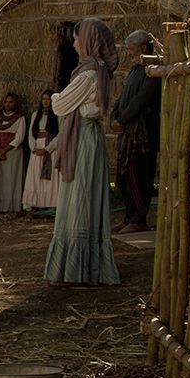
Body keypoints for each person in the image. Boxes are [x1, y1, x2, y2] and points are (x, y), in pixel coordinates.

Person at [45, 18, 120, 287]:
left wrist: (56, 97)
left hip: (84, 141)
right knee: (82, 197)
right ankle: (82, 269)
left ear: (88, 40)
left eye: (77, 38)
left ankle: (76, 271)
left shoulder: (90, 74)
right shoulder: (96, 70)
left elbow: (60, 105)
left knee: (80, 199)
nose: (74, 42)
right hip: (88, 137)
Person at [111, 30, 160, 233]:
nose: (129, 52)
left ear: (144, 48)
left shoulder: (152, 70)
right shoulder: (135, 69)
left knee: (139, 175)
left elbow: (141, 99)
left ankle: (139, 218)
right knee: (124, 178)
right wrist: (114, 117)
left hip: (143, 133)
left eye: (132, 49)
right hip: (128, 132)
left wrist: (122, 119)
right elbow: (123, 98)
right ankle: (129, 216)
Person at [21, 91, 60, 211]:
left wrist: (47, 149)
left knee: (50, 177)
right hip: (37, 149)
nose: (45, 102)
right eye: (43, 99)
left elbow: (60, 135)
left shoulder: (58, 115)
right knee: (35, 175)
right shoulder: (35, 115)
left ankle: (51, 203)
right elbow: (31, 134)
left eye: (48, 99)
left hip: (50, 150)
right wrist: (34, 148)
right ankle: (34, 203)